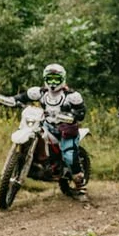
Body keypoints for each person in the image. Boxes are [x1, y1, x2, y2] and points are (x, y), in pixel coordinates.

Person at [12, 63, 87, 197]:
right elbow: (23, 96)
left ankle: (79, 181)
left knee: (69, 155)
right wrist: (13, 100)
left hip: (66, 129)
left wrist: (72, 115)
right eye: (50, 79)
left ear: (62, 79)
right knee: (33, 134)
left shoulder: (71, 95)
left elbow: (81, 111)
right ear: (45, 78)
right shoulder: (41, 92)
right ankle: (32, 163)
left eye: (56, 79)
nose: (53, 82)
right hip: (47, 125)